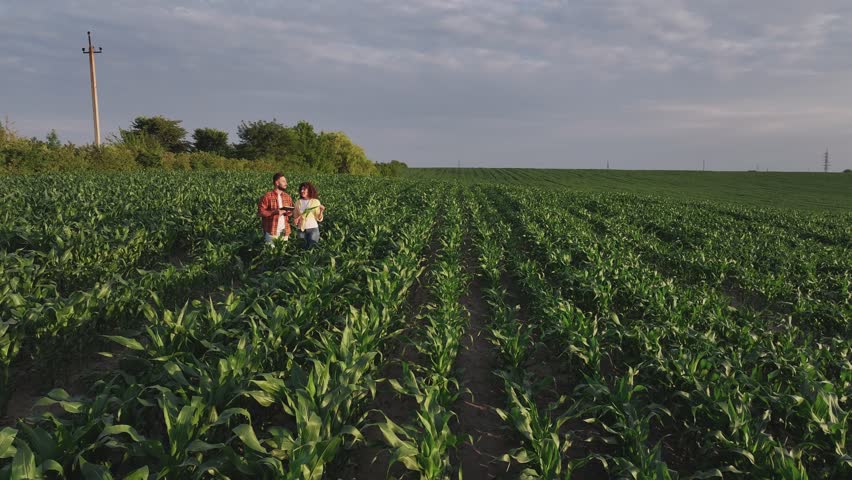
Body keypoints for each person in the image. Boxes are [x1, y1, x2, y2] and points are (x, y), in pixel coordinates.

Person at [257, 173, 294, 244]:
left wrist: (289, 212)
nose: (286, 183)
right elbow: (260, 213)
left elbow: (291, 212)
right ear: (277, 183)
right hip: (272, 231)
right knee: (271, 254)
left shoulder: (287, 197)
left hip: (284, 231)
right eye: (283, 181)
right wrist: (275, 212)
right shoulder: (267, 196)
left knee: (282, 253)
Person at [293, 181, 325, 249]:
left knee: (312, 249)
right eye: (301, 189)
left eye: (304, 189)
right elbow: (295, 216)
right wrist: (295, 220)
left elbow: (319, 218)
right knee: (301, 249)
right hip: (301, 229)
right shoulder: (298, 202)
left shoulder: (315, 201)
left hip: (313, 228)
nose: (302, 191)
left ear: (309, 190)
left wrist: (321, 211)